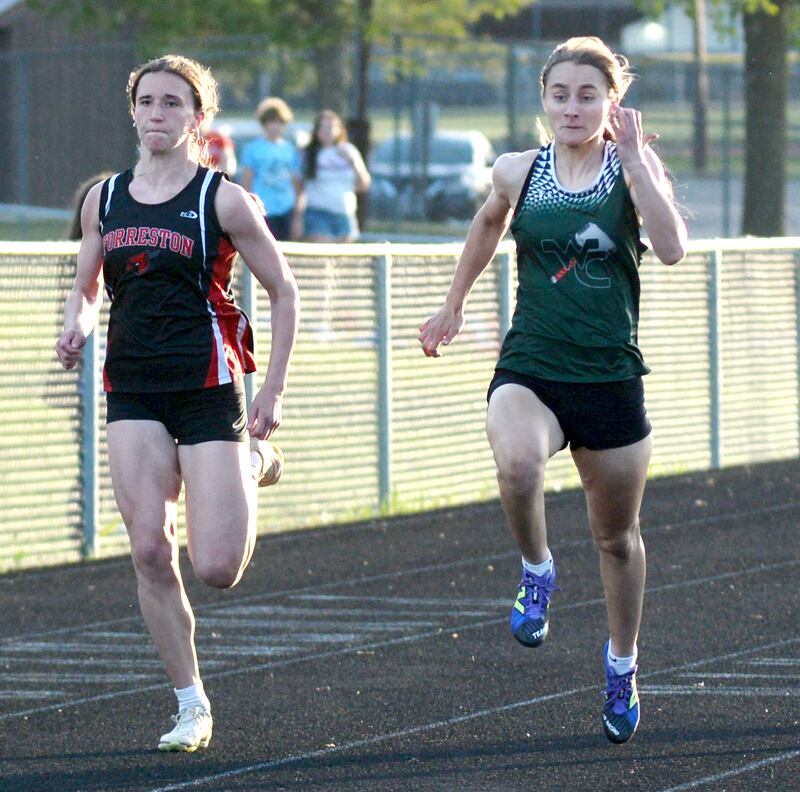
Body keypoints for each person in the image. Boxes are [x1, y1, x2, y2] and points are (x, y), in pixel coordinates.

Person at [419, 36, 687, 745]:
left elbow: (671, 248)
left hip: (609, 377)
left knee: (617, 539)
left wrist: (634, 162)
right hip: (532, 364)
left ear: (612, 104)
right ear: (544, 99)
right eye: (560, 94)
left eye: (588, 95)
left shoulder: (633, 168)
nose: (572, 107)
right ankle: (537, 567)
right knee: (517, 463)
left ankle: (622, 663)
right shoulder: (518, 169)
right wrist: (452, 305)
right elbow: (486, 222)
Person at [55, 54, 300, 752]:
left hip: (205, 388)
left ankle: (251, 461)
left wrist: (273, 388)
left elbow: (283, 292)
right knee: (148, 550)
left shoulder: (221, 200)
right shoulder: (102, 199)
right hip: (131, 388)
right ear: (133, 110)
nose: (157, 114)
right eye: (147, 102)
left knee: (218, 567)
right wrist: (76, 322)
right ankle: (190, 705)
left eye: (172, 104)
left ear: (198, 118)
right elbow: (88, 286)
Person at [239, 97, 304, 241]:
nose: (275, 126)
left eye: (279, 122)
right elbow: (247, 182)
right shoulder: (253, 149)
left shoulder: (290, 150)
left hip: (286, 209)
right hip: (263, 210)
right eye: (272, 122)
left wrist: (297, 216)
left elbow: (297, 184)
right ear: (265, 123)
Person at [302, 109, 371, 243]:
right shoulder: (309, 153)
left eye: (331, 127)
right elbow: (300, 185)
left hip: (344, 213)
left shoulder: (349, 150)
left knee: (341, 260)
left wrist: (352, 161)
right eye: (323, 127)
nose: (327, 131)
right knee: (323, 255)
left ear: (339, 129)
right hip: (318, 213)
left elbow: (364, 184)